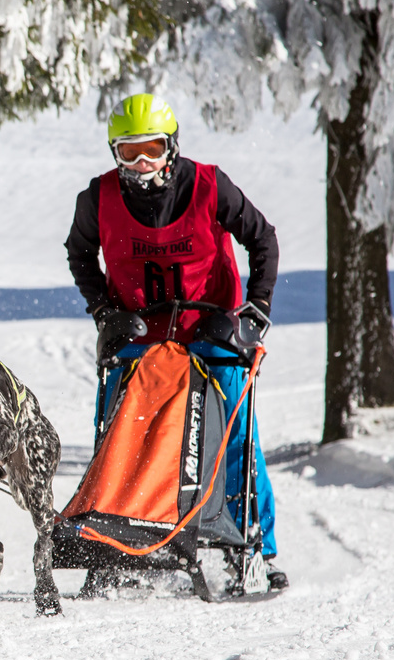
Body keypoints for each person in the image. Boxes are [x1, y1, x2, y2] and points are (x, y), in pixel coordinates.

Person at [64, 92, 286, 590]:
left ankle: (254, 544)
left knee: (234, 435)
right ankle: (120, 538)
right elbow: (80, 253)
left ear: (172, 146)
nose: (142, 164)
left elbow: (262, 239)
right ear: (113, 153)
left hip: (212, 332)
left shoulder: (210, 185)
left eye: (152, 149)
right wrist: (104, 311)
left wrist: (257, 307)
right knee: (128, 432)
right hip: (140, 337)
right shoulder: (98, 198)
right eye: (128, 152)